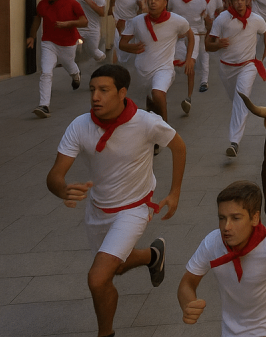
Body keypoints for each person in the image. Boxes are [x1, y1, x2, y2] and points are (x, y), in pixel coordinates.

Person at [47, 64, 186, 337]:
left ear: (122, 92)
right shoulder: (80, 126)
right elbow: (54, 175)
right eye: (92, 90)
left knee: (98, 278)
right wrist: (61, 189)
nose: (95, 97)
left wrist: (175, 192)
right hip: (98, 211)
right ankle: (152, 255)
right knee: (115, 267)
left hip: (135, 208)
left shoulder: (147, 122)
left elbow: (178, 146)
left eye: (103, 90)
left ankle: (105, 333)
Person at [178, 180, 266, 337]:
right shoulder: (212, 243)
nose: (226, 226)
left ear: (255, 218)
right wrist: (187, 303)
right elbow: (187, 282)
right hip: (231, 332)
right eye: (222, 218)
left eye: (235, 218)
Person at [206, 0, 266, 158]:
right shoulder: (222, 19)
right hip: (226, 68)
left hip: (248, 66)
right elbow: (208, 45)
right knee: (236, 100)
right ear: (229, 1)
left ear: (247, 0)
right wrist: (218, 45)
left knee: (241, 98)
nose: (239, 3)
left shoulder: (256, 19)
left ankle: (234, 142)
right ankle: (241, 115)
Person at [119, 0, 194, 122]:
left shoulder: (177, 21)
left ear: (165, 3)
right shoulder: (136, 21)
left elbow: (190, 36)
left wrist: (189, 59)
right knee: (151, 105)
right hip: (142, 70)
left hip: (164, 68)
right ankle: (154, 128)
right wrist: (132, 48)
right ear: (146, 2)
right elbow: (122, 44)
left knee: (158, 94)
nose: (153, 2)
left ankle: (165, 129)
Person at [28, 0, 89, 118]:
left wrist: (68, 24)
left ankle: (75, 75)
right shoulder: (43, 4)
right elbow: (37, 19)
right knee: (46, 72)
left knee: (68, 64)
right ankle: (44, 105)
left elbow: (84, 21)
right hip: (48, 42)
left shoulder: (72, 3)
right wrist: (32, 36)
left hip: (68, 43)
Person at [168, 0, 207, 115]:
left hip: (194, 34)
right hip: (177, 36)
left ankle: (188, 98)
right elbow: (169, 14)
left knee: (191, 63)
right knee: (175, 63)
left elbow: (204, 16)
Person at [108, 0, 146, 67]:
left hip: (130, 22)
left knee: (128, 45)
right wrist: (110, 12)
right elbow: (112, 1)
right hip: (118, 21)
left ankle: (131, 65)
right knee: (116, 44)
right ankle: (115, 67)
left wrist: (137, 17)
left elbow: (142, 7)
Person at [71, 0, 107, 64]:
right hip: (78, 27)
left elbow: (102, 13)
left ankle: (104, 66)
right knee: (71, 50)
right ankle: (75, 72)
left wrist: (89, 2)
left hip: (92, 29)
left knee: (94, 52)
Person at [197, 0, 220, 93]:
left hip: (209, 30)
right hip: (196, 29)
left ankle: (204, 81)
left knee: (204, 55)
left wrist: (216, 24)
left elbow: (220, 10)